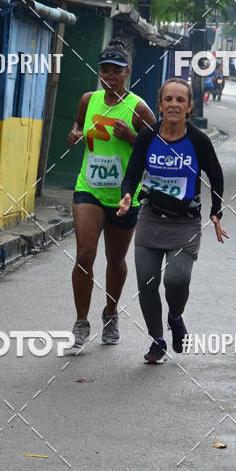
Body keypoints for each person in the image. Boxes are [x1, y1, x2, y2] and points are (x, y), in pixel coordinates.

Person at [117, 78, 229, 364]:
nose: (174, 105)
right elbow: (131, 174)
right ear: (160, 104)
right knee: (147, 283)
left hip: (185, 223)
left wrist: (216, 211)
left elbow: (215, 176)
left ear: (190, 106)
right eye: (169, 99)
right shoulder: (147, 137)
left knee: (176, 280)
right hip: (151, 218)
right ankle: (157, 341)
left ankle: (176, 316)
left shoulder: (198, 141)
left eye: (181, 100)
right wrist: (127, 195)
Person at [67, 39, 156, 352]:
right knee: (84, 255)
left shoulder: (138, 108)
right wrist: (76, 132)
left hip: (123, 195)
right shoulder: (88, 99)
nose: (110, 75)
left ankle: (110, 313)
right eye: (105, 69)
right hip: (88, 188)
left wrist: (132, 137)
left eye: (116, 71)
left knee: (115, 260)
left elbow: (156, 151)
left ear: (127, 72)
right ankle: (81, 323)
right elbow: (79, 123)